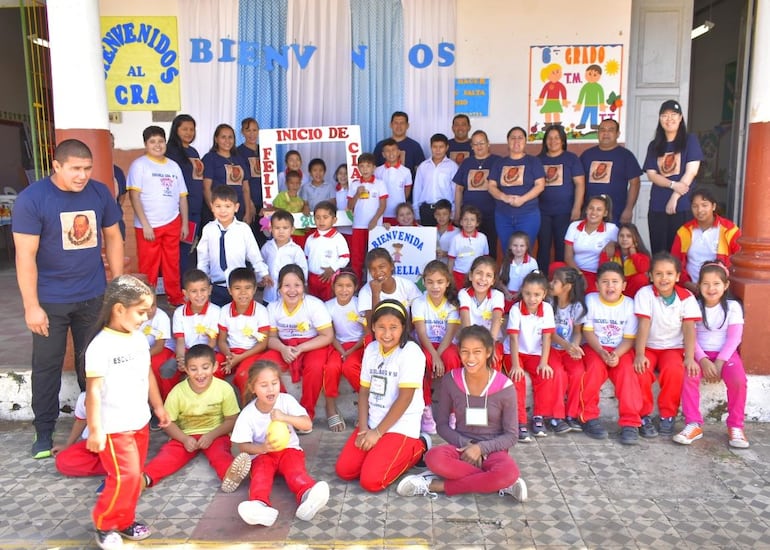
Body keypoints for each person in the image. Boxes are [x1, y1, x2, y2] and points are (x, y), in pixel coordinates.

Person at [13, 139, 124, 458]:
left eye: (87, 168)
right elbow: (25, 256)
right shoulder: (32, 200)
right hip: (49, 301)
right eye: (75, 168)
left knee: (91, 363)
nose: (82, 175)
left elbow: (114, 237)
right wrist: (31, 306)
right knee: (46, 366)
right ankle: (44, 432)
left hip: (92, 295)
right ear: (56, 166)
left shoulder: (100, 192)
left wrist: (116, 286)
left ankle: (96, 424)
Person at [396, 325, 527, 501]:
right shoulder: (451, 380)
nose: (470, 358)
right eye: (465, 351)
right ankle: (498, 482)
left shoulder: (505, 387)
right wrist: (468, 446)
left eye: (477, 352)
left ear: (489, 352)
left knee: (508, 471)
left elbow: (511, 436)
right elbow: (441, 425)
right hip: (461, 447)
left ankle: (437, 485)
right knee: (434, 458)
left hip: (493, 451)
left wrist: (480, 448)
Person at [84, 275, 169, 549]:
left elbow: (147, 375)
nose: (145, 318)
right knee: (126, 477)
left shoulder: (137, 340)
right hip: (113, 427)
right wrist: (96, 430)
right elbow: (93, 391)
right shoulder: (100, 346)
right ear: (119, 309)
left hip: (139, 422)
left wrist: (157, 406)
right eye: (141, 311)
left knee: (134, 478)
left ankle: (125, 519)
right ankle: (104, 522)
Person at [335, 300, 429, 492]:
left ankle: (419, 446)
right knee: (345, 471)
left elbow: (405, 398)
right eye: (381, 327)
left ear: (404, 327)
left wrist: (378, 433)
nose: (387, 334)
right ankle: (381, 449)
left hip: (400, 426)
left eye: (393, 327)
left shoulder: (411, 352)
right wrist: (363, 429)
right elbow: (363, 391)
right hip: (373, 422)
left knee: (371, 481)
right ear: (373, 328)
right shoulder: (371, 349)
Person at [230, 361, 330, 526]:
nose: (270, 389)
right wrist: (262, 448)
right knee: (261, 477)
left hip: (288, 450)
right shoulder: (248, 414)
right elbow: (242, 446)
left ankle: (309, 496)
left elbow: (307, 424)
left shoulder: (286, 401)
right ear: (252, 388)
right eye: (264, 385)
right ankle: (259, 506)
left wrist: (285, 417)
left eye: (274, 383)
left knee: (295, 472)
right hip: (263, 455)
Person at [143, 344, 251, 492]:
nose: (200, 373)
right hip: (185, 435)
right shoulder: (177, 392)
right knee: (168, 456)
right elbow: (168, 423)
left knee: (220, 454)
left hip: (216, 434)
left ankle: (229, 476)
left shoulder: (224, 389)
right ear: (186, 370)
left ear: (214, 367)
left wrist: (211, 435)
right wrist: (184, 439)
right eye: (193, 369)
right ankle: (144, 479)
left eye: (205, 367)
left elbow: (232, 420)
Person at [674, 261, 748, 448]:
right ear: (699, 286)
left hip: (726, 355)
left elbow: (734, 338)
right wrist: (703, 360)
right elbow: (690, 336)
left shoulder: (733, 307)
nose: (711, 288)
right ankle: (693, 423)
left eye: (716, 284)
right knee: (689, 375)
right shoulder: (694, 306)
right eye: (706, 284)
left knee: (739, 379)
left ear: (726, 285)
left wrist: (720, 362)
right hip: (699, 353)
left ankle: (735, 426)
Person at [259, 264, 335, 427]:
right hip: (284, 345)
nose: (292, 290)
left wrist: (301, 348)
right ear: (279, 289)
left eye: (297, 285)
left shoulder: (314, 305)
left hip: (312, 344)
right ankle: (281, 411)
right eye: (286, 285)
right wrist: (283, 349)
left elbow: (327, 336)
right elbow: (271, 338)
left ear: (304, 287)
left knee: (315, 368)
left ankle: (305, 415)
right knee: (263, 367)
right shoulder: (273, 307)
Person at [634, 253, 701, 438]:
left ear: (678, 276)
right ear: (650, 276)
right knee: (641, 371)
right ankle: (643, 415)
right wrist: (639, 354)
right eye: (658, 273)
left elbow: (689, 329)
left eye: (669, 273)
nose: (664, 278)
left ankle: (667, 415)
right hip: (648, 346)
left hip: (672, 348)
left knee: (674, 371)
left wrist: (689, 357)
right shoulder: (644, 294)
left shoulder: (686, 297)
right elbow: (643, 325)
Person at [579, 262, 643, 444]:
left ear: (623, 285)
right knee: (592, 371)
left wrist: (616, 354)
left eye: (615, 281)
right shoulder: (591, 300)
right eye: (605, 282)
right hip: (595, 347)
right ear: (597, 285)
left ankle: (630, 422)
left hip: (621, 349)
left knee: (627, 375)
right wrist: (600, 351)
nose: (610, 286)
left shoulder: (629, 305)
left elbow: (629, 338)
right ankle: (588, 417)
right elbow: (588, 331)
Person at [128, 125, 189, 306]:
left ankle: (175, 298)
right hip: (148, 226)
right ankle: (146, 302)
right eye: (152, 141)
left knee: (172, 264)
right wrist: (145, 224)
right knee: (149, 267)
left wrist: (184, 224)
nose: (157, 145)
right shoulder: (139, 165)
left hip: (172, 222)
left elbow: (182, 197)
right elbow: (134, 197)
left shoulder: (173, 166)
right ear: (146, 144)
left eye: (161, 141)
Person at [505, 271, 568, 439]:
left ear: (544, 294)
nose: (532, 299)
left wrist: (544, 362)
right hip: (515, 352)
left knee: (546, 374)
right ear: (522, 292)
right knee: (517, 378)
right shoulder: (515, 309)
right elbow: (513, 338)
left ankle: (539, 416)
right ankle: (520, 422)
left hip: (536, 352)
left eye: (537, 295)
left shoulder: (546, 308)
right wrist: (516, 365)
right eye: (527, 294)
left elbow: (547, 336)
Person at [644, 100, 704, 253]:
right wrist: (672, 184)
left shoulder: (690, 140)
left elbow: (691, 171)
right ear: (660, 119)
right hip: (657, 205)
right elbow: (651, 174)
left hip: (682, 205)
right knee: (659, 251)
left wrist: (675, 197)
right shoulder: (654, 145)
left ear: (680, 118)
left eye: (673, 115)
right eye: (664, 115)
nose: (669, 119)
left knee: (680, 252)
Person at [196, 185, 270, 307]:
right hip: (217, 286)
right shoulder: (208, 229)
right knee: (219, 319)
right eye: (218, 206)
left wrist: (263, 273)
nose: (223, 211)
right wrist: (202, 280)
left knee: (239, 317)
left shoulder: (243, 229)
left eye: (227, 206)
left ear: (236, 207)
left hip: (239, 285)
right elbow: (203, 257)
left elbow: (254, 254)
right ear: (212, 207)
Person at [412, 260, 463, 434]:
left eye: (440, 282)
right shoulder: (419, 302)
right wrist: (434, 357)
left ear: (447, 282)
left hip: (445, 345)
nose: (435, 287)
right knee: (420, 361)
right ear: (424, 282)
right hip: (426, 344)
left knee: (452, 359)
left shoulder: (452, 304)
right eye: (430, 282)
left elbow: (449, 334)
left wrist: (439, 356)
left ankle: (453, 412)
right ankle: (426, 410)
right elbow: (420, 333)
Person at [671, 187, 741, 293]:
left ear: (713, 206)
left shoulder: (729, 230)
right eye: (695, 206)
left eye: (704, 205)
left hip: (719, 291)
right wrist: (688, 285)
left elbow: (739, 260)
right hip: (690, 288)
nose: (699, 210)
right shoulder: (684, 231)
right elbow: (674, 263)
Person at [537, 125, 585, 275]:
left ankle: (560, 281)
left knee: (562, 248)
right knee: (543, 247)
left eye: (557, 137)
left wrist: (577, 208)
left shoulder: (571, 159)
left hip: (565, 212)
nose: (553, 141)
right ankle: (542, 281)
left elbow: (580, 184)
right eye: (550, 138)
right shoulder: (538, 160)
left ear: (563, 140)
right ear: (545, 141)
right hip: (542, 212)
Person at [217, 268, 270, 401]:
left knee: (244, 376)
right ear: (229, 290)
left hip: (252, 352)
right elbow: (222, 340)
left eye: (247, 288)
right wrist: (229, 356)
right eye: (237, 288)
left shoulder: (261, 311)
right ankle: (216, 410)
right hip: (229, 352)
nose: (243, 293)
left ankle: (247, 411)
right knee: (212, 370)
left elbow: (262, 344)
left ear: (254, 289)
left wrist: (238, 358)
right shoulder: (224, 310)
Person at [488, 126, 546, 248]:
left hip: (528, 215)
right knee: (507, 251)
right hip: (503, 215)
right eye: (513, 138)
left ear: (525, 141)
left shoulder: (533, 161)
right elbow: (491, 186)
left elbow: (540, 185)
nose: (516, 141)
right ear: (508, 141)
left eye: (520, 138)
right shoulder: (499, 163)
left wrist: (522, 200)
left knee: (525, 251)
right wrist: (505, 197)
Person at [325, 269, 366, 432]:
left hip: (357, 345)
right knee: (330, 368)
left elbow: (366, 332)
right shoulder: (328, 306)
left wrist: (350, 351)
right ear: (333, 287)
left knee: (350, 368)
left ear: (355, 287)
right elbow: (330, 333)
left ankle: (366, 405)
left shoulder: (359, 305)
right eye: (340, 285)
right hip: (336, 345)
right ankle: (330, 408)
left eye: (348, 286)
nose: (344, 290)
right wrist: (341, 350)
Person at [580, 119, 642, 225]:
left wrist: (628, 209)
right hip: (590, 213)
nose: (606, 133)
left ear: (617, 134)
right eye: (602, 130)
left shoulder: (626, 156)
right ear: (598, 133)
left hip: (616, 213)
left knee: (612, 241)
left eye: (611, 130)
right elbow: (578, 182)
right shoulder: (587, 155)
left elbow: (635, 183)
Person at [548, 266, 587, 432]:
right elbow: (548, 332)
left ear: (567, 287)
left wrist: (575, 346)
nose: (551, 283)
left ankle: (571, 414)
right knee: (558, 373)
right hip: (550, 348)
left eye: (555, 281)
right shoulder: (549, 303)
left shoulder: (577, 307)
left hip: (568, 349)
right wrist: (566, 345)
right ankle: (556, 416)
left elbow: (578, 332)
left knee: (578, 373)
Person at [166, 114, 205, 271]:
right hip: (180, 209)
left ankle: (186, 285)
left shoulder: (194, 151)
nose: (189, 132)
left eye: (191, 129)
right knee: (179, 249)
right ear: (176, 130)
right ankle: (180, 287)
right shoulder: (170, 151)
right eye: (184, 129)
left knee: (189, 247)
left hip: (196, 207)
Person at [453, 130, 501, 254]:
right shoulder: (467, 162)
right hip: (469, 215)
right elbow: (459, 188)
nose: (479, 146)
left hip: (491, 213)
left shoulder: (497, 161)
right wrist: (458, 212)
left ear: (488, 143)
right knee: (469, 247)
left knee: (489, 247)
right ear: (472, 147)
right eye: (475, 144)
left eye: (482, 143)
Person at [172, 269, 220, 385]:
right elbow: (180, 341)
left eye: (203, 290)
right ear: (185, 294)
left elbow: (212, 342)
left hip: (209, 352)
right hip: (187, 351)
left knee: (210, 372)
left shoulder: (216, 311)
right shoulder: (179, 313)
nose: (199, 295)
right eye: (194, 291)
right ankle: (170, 401)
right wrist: (181, 358)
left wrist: (196, 362)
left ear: (209, 290)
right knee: (168, 370)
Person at [563, 194, 619, 292]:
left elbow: (626, 243)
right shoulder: (574, 226)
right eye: (591, 208)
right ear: (586, 210)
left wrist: (613, 243)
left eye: (599, 209)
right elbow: (568, 257)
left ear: (605, 213)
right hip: (575, 270)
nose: (594, 212)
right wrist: (579, 274)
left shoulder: (611, 229)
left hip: (596, 273)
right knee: (556, 269)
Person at [347, 154, 388, 280]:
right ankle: (357, 285)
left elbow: (383, 205)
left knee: (376, 257)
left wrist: (374, 220)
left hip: (375, 226)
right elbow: (349, 206)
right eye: (362, 166)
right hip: (358, 225)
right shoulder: (355, 185)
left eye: (368, 166)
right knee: (357, 258)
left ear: (374, 168)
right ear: (358, 168)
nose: (365, 169)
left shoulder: (380, 184)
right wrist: (356, 195)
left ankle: (376, 283)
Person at [202, 123, 254, 223]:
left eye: (230, 137)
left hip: (239, 211)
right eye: (223, 137)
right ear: (216, 139)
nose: (227, 141)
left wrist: (247, 212)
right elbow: (206, 188)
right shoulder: (210, 158)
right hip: (220, 212)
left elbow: (246, 188)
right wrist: (215, 212)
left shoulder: (239, 158)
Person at [357, 248, 421, 327]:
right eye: (373, 269)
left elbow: (419, 315)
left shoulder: (407, 285)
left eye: (381, 267)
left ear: (391, 266)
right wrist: (375, 294)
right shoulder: (365, 291)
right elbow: (372, 325)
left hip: (405, 334)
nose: (378, 272)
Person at [304, 201, 350, 301]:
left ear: (334, 220)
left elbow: (345, 258)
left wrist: (332, 269)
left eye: (325, 217)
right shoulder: (310, 238)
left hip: (330, 278)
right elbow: (305, 259)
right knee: (313, 303)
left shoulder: (338, 238)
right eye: (318, 217)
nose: (321, 221)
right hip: (312, 278)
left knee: (329, 303)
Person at [53, 391, 106, 478]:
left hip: (120, 443)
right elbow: (80, 421)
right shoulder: (84, 397)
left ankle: (121, 466)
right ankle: (114, 466)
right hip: (96, 444)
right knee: (63, 461)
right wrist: (68, 445)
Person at [260, 209, 308, 304]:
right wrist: (260, 279)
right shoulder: (267, 247)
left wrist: (300, 287)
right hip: (269, 293)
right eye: (277, 228)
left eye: (285, 228)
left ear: (292, 230)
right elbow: (261, 264)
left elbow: (303, 270)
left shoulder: (296, 250)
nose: (281, 231)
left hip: (290, 294)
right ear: (271, 229)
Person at [412, 133, 458, 226]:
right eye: (435, 147)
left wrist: (453, 212)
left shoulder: (452, 166)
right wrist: (416, 213)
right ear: (430, 147)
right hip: (426, 210)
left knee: (444, 239)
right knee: (427, 239)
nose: (438, 150)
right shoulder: (423, 166)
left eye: (441, 147)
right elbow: (417, 189)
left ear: (447, 147)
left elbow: (455, 191)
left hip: (445, 211)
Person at [599, 223, 651, 298]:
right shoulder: (610, 251)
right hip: (613, 287)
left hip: (631, 291)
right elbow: (602, 270)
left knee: (641, 278)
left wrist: (634, 255)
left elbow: (643, 270)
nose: (624, 239)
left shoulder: (642, 255)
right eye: (621, 236)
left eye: (629, 236)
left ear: (635, 238)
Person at [237, 117, 267, 245]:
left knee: (265, 236)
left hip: (265, 202)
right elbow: (242, 180)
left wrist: (268, 203)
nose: (252, 134)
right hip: (248, 201)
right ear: (242, 132)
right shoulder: (238, 152)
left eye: (255, 130)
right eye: (248, 130)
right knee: (249, 238)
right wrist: (249, 203)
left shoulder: (265, 150)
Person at [142, 292, 176, 401]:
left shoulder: (161, 317)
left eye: (154, 305)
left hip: (162, 348)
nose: (151, 310)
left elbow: (159, 346)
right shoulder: (132, 317)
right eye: (146, 307)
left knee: (156, 365)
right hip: (142, 350)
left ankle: (164, 401)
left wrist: (140, 355)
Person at [447, 205, 489, 290]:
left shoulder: (482, 238)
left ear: (477, 223)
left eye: (472, 220)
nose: (469, 223)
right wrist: (450, 278)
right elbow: (451, 261)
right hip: (459, 275)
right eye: (465, 219)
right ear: (461, 222)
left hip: (477, 275)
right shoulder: (456, 239)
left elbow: (485, 259)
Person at [372, 111, 426, 176]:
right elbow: (372, 168)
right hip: (383, 185)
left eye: (402, 123)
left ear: (407, 125)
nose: (399, 126)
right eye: (396, 123)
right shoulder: (380, 145)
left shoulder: (415, 146)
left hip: (408, 185)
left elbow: (420, 171)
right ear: (390, 125)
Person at [375, 138, 413, 224]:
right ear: (383, 154)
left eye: (393, 150)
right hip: (382, 214)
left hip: (400, 215)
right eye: (387, 151)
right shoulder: (377, 171)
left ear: (398, 152)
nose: (391, 153)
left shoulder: (406, 171)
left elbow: (406, 192)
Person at [498, 232, 539, 311]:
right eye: (515, 245)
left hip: (524, 296)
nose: (518, 249)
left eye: (522, 246)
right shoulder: (506, 261)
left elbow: (534, 282)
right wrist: (506, 293)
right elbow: (501, 281)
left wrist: (519, 293)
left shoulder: (532, 262)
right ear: (510, 246)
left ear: (527, 247)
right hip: (508, 296)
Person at [273, 170, 309, 248]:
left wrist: (306, 226)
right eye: (292, 183)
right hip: (285, 233)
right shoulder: (281, 196)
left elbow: (304, 218)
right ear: (286, 184)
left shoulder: (301, 200)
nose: (294, 186)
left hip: (299, 233)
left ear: (300, 184)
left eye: (297, 183)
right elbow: (275, 210)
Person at [573, 64, 604, 130]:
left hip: (595, 105)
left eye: (595, 75)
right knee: (585, 114)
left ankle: (593, 125)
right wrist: (579, 103)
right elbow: (582, 95)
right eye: (590, 74)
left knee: (594, 115)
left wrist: (601, 104)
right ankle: (582, 124)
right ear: (586, 74)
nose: (592, 77)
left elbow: (601, 95)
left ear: (599, 76)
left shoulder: (598, 87)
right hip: (587, 104)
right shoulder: (586, 86)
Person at [434, 199, 460, 264]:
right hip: (434, 268)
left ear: (450, 214)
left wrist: (446, 254)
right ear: (434, 215)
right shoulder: (431, 231)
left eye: (445, 214)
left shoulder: (457, 232)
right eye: (438, 214)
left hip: (450, 268)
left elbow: (461, 253)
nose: (441, 217)